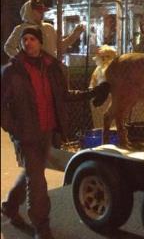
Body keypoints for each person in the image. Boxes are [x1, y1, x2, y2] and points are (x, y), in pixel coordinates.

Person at [1, 27, 109, 239]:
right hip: (26, 134)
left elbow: (64, 96)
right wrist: (14, 128)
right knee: (38, 181)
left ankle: (10, 206)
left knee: (32, 173)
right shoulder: (12, 71)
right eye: (25, 39)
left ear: (40, 42)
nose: (28, 43)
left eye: (33, 39)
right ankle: (42, 227)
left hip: (46, 131)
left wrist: (92, 93)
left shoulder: (51, 68)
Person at [4, 0, 84, 58]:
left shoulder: (49, 27)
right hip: (30, 70)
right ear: (30, 11)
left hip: (49, 69)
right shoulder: (20, 29)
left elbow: (60, 47)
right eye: (38, 11)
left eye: (42, 10)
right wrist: (22, 60)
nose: (42, 13)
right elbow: (8, 47)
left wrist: (74, 35)